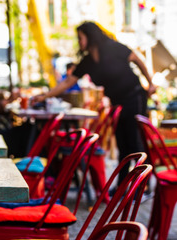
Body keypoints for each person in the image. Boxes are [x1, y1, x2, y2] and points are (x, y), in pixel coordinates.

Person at [32, 21, 156, 187]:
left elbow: (138, 60)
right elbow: (67, 82)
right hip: (118, 102)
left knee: (134, 142)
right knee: (122, 144)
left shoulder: (113, 47)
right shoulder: (88, 61)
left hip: (135, 96)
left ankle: (142, 185)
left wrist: (151, 83)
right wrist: (45, 96)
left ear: (90, 37)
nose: (79, 42)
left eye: (80, 38)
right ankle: (122, 186)